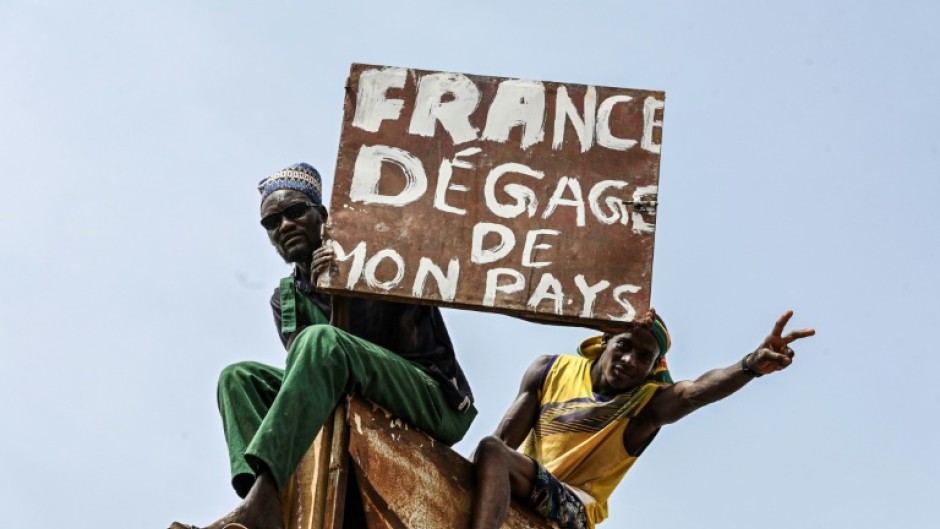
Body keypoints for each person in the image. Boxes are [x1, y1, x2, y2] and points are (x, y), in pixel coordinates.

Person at [170, 163, 476, 529]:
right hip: (348, 400)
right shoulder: (285, 300)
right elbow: (321, 382)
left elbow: (350, 352)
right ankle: (271, 507)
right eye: (271, 223)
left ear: (322, 216)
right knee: (237, 378)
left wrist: (341, 289)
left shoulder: (379, 259)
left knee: (320, 341)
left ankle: (261, 502)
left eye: (295, 212)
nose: (284, 226)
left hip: (430, 397)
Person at [470, 309, 814, 529]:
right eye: (624, 346)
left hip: (573, 508)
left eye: (644, 358)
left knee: (493, 452)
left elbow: (696, 391)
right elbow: (501, 441)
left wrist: (749, 365)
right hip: (524, 478)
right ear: (605, 341)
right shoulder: (550, 369)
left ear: (653, 369)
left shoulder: (646, 406)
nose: (629, 361)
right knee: (490, 450)